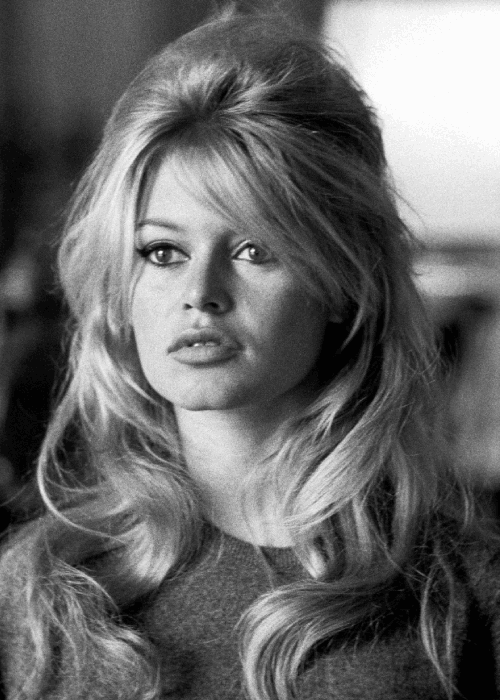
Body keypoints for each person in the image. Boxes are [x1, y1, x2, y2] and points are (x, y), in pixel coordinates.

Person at [0, 6, 499, 700]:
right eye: (162, 252)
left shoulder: (463, 589)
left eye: (253, 250)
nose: (200, 294)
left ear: (343, 281)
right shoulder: (35, 590)